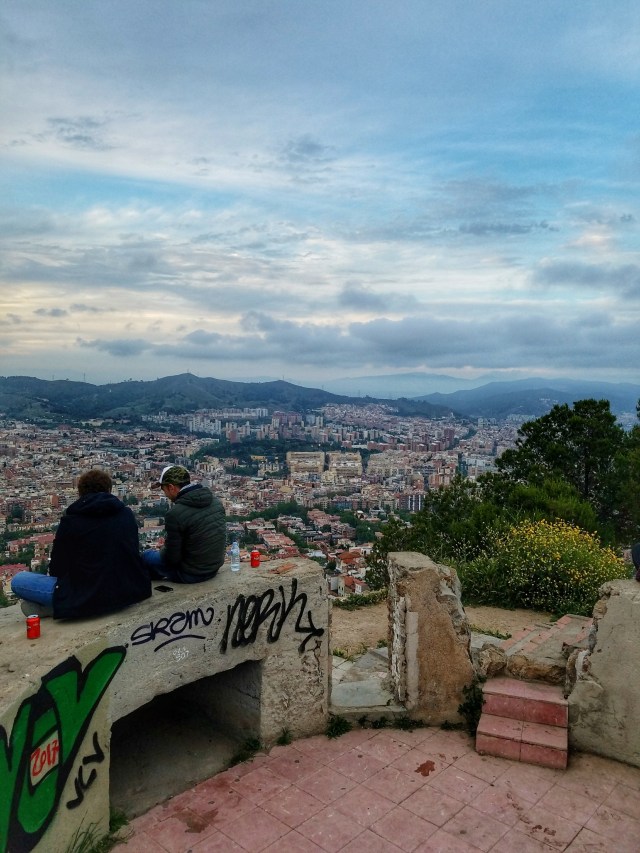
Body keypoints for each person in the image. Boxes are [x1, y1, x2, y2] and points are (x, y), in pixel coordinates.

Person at [11, 469, 151, 619]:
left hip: (85, 597)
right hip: (130, 590)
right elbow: (132, 552)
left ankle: (58, 607)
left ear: (80, 493)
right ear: (109, 490)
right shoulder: (126, 514)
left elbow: (57, 568)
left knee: (18, 581)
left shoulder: (71, 522)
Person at [142, 465, 226, 583]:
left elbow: (171, 559)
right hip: (213, 568)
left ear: (171, 487)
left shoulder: (175, 513)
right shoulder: (215, 501)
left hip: (190, 573)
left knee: (146, 556)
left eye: (163, 489)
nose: (165, 494)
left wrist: (164, 549)